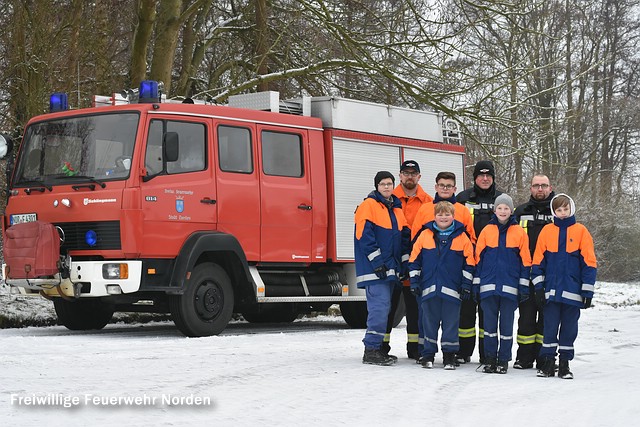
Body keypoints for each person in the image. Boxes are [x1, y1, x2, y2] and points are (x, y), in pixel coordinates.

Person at [532, 194, 597, 379]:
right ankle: (548, 363)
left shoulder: (581, 231)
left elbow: (589, 262)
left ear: (571, 209)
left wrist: (587, 290)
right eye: (558, 210)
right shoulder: (546, 231)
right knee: (549, 328)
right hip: (551, 292)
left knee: (569, 329)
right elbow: (537, 262)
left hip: (573, 292)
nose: (562, 213)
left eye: (565, 209)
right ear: (554, 211)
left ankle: (564, 364)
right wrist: (538, 287)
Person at [409, 201, 475, 370]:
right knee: (428, 324)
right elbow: (414, 261)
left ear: (453, 216)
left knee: (451, 325)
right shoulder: (425, 235)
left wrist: (466, 284)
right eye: (440, 214)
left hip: (453, 291)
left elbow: (470, 263)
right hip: (429, 289)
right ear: (434, 216)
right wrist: (415, 282)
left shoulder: (462, 237)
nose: (443, 217)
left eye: (447, 214)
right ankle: (428, 354)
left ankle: (449, 356)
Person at [354, 171, 410, 366]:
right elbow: (364, 237)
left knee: (385, 310)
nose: (387, 187)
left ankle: (377, 350)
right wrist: (376, 262)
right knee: (379, 309)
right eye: (383, 184)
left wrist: (403, 264)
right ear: (377, 186)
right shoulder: (368, 206)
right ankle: (371, 350)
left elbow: (404, 239)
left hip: (390, 269)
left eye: (389, 183)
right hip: (374, 270)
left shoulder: (396, 209)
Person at [474, 194, 531, 374]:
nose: (503, 211)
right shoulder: (486, 231)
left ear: (511, 210)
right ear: (494, 210)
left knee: (506, 327)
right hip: (488, 288)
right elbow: (478, 260)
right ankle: (490, 358)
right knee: (489, 327)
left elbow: (526, 262)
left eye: (506, 208)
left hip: (510, 289)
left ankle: (503, 359)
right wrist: (476, 284)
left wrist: (523, 286)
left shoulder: (520, 232)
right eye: (500, 208)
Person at [383, 160, 433, 360]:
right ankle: (380, 347)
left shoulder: (429, 202)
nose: (409, 176)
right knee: (388, 308)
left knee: (415, 310)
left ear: (419, 176)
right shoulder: (388, 198)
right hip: (393, 262)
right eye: (406, 173)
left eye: (414, 173)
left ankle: (416, 349)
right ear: (400, 175)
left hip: (418, 263)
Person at [456, 160, 503, 364]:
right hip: (466, 263)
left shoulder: (502, 199)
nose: (485, 179)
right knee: (465, 312)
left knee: (488, 312)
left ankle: (487, 354)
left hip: (492, 266)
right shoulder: (462, 199)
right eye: (481, 175)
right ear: (474, 177)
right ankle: (463, 352)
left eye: (488, 175)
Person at [513, 174, 555, 369]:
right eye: (536, 185)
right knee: (526, 317)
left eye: (543, 186)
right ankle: (524, 357)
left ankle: (544, 357)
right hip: (526, 274)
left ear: (550, 187)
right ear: (530, 188)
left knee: (548, 318)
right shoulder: (520, 212)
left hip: (551, 275)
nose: (540, 189)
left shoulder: (559, 210)